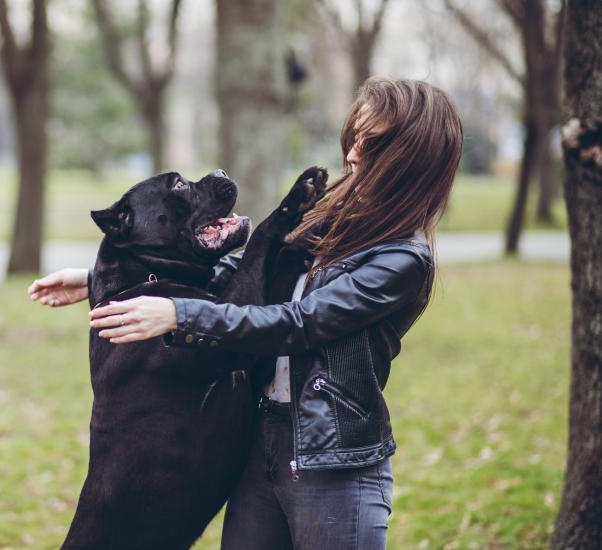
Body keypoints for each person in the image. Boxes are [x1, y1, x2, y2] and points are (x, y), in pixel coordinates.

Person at [28, 77, 463, 549]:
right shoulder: (334, 220)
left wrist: (180, 315)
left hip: (332, 466)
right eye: (354, 137)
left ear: (411, 158)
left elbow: (298, 324)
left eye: (371, 143)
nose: (353, 154)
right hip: (262, 449)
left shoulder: (401, 260)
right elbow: (247, 271)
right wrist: (100, 279)